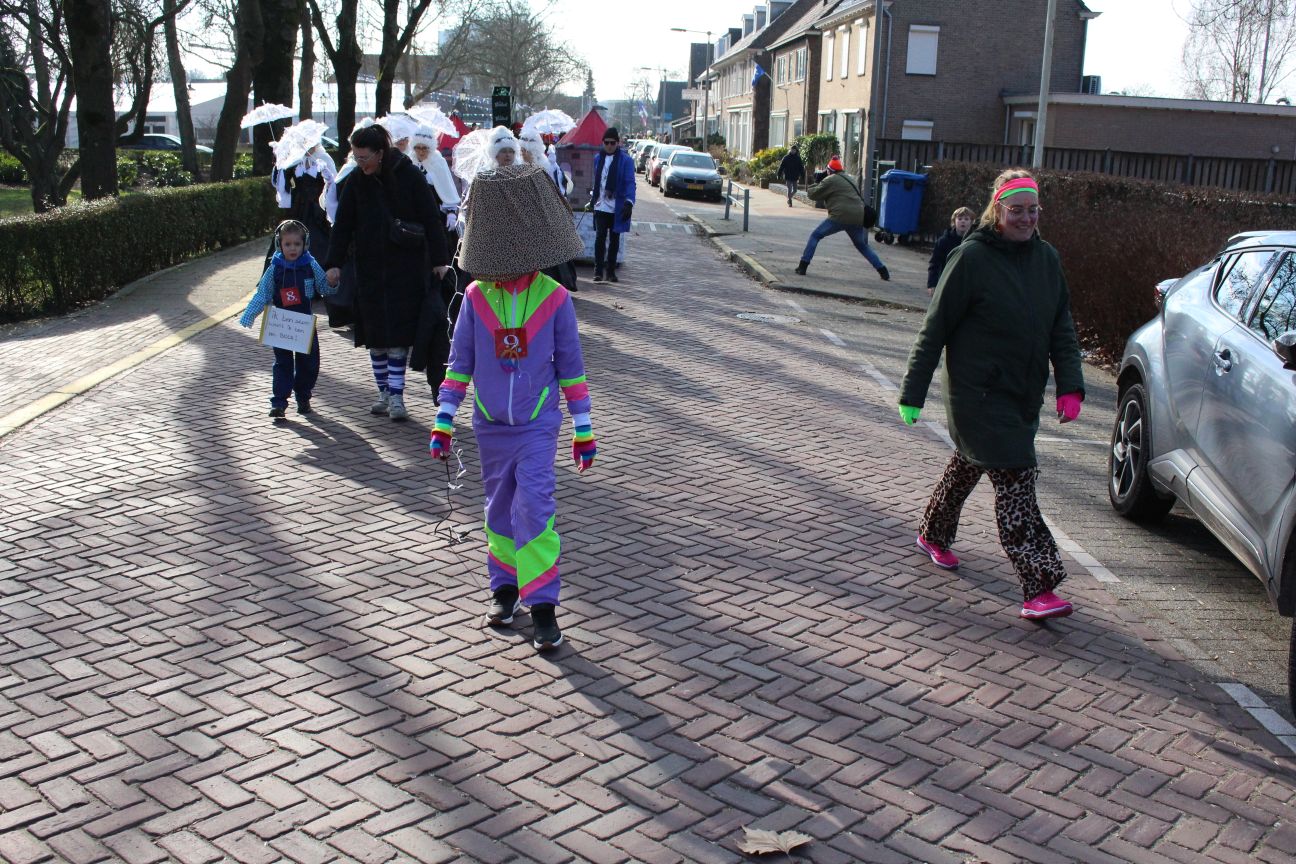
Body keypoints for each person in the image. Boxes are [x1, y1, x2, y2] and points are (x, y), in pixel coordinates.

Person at [898, 169, 1084, 621]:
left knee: (968, 464)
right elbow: (934, 329)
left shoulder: (1047, 260)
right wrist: (913, 392)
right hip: (976, 395)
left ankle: (933, 533)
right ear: (997, 210)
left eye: (1033, 210)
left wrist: (1070, 385)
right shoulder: (971, 258)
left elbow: (1061, 326)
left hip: (1021, 395)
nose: (1026, 218)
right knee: (1016, 481)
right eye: (1016, 210)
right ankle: (1039, 586)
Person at [429, 163, 595, 652]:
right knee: (499, 508)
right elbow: (459, 363)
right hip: (490, 425)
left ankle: (542, 606)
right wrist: (444, 418)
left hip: (537, 425)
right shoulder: (475, 297)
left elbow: (571, 368)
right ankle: (503, 589)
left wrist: (583, 428)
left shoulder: (556, 299)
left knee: (535, 508)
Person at [324, 123, 450, 422]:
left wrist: (440, 260)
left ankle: (396, 396)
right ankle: (383, 391)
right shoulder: (356, 181)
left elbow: (431, 218)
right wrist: (334, 263)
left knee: (398, 336)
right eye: (356, 157)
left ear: (380, 153)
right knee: (376, 336)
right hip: (368, 268)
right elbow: (343, 224)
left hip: (405, 267)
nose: (360, 163)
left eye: (364, 157)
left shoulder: (409, 175)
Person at [240, 220, 334, 418]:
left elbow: (323, 287)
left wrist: (332, 282)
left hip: (303, 323)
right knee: (282, 363)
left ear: (305, 244)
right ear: (279, 245)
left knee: (308, 363)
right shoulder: (274, 268)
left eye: (297, 244)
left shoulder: (310, 264)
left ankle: (303, 396)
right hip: (280, 322)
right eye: (288, 244)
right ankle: (279, 402)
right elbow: (263, 293)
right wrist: (250, 315)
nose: (293, 248)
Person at [796, 156, 890, 281]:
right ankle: (883, 270)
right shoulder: (850, 179)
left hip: (839, 216)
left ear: (829, 170)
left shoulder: (830, 179)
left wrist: (817, 181)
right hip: (858, 217)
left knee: (815, 235)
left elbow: (812, 194)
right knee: (862, 246)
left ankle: (803, 266)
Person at [589, 126, 635, 284]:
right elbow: (597, 181)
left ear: (618, 143)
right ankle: (598, 271)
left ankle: (610, 271)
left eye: (612, 143)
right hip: (600, 204)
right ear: (603, 143)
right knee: (600, 237)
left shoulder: (626, 160)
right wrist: (593, 197)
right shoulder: (598, 158)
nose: (609, 146)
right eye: (606, 143)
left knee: (614, 239)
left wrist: (629, 202)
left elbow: (630, 182)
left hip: (617, 206)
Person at [927, 206, 974, 296]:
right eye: (960, 219)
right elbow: (934, 263)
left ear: (971, 222)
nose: (963, 221)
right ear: (954, 221)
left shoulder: (974, 242)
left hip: (966, 285)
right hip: (946, 282)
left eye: (966, 219)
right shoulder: (944, 241)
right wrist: (932, 284)